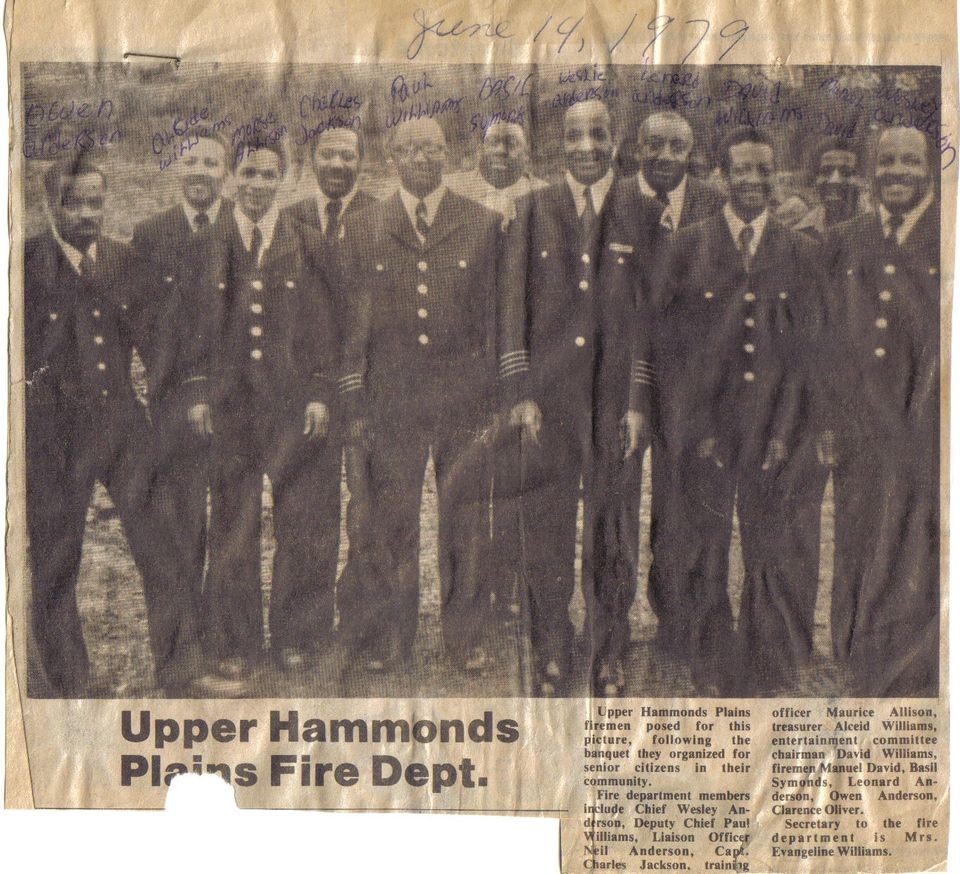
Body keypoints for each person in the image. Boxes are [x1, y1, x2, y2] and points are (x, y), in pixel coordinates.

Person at [338, 117, 519, 674]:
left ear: (450, 155)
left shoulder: (484, 223)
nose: (423, 158)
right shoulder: (366, 225)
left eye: (433, 148)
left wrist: (499, 398)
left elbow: (501, 318)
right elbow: (351, 324)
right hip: (392, 402)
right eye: (411, 149)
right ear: (391, 157)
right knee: (391, 521)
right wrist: (356, 400)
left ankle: (466, 637)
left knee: (466, 523)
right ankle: (391, 637)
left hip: (464, 401)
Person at [651, 128, 828, 695]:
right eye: (742, 171)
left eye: (763, 171)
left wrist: (783, 430)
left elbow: (805, 351)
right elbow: (670, 347)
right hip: (707, 424)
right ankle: (709, 654)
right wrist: (696, 427)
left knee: (769, 540)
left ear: (775, 177)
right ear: (721, 177)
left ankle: (767, 653)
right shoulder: (687, 245)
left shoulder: (798, 249)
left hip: (772, 422)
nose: (753, 181)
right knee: (702, 537)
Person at [25, 154, 202, 696]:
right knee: (58, 557)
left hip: (125, 429)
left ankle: (181, 673)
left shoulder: (126, 262)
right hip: (54, 437)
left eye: (94, 203)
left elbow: (162, 342)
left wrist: (184, 400)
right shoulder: (24, 265)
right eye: (73, 203)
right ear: (49, 205)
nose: (85, 214)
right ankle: (69, 682)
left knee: (163, 547)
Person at [502, 101, 662, 696]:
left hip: (614, 405)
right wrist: (521, 392)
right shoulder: (531, 208)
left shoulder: (642, 211)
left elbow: (649, 315)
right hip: (548, 403)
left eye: (597, 134)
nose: (586, 146)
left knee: (611, 529)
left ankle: (607, 650)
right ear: (558, 144)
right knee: (545, 527)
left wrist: (638, 400)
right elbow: (511, 307)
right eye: (573, 136)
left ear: (616, 139)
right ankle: (549, 647)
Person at [181, 140, 339, 690]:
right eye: (247, 173)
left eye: (268, 174)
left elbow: (325, 328)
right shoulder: (210, 244)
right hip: (232, 411)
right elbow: (196, 328)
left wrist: (320, 393)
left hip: (292, 409)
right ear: (231, 178)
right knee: (234, 525)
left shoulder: (308, 243)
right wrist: (199, 393)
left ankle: (297, 637)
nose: (256, 185)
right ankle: (234, 644)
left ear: (286, 179)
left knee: (305, 523)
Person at [823, 127, 939, 696]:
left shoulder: (948, 235)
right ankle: (856, 656)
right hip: (858, 424)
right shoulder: (849, 236)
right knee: (858, 530)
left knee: (918, 540)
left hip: (928, 426)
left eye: (909, 162)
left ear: (930, 171)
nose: (897, 172)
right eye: (887, 161)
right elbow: (824, 333)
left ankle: (912, 664)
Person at [280, 126, 378, 656]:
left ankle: (362, 628)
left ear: (363, 160)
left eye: (349, 154)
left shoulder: (382, 216)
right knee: (308, 512)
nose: (338, 163)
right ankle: (303, 631)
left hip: (366, 387)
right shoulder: (288, 218)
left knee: (369, 511)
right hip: (308, 388)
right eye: (328, 153)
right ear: (309, 157)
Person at [129, 132, 232, 636]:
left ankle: (226, 631)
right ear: (176, 167)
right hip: (172, 399)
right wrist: (186, 388)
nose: (200, 172)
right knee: (182, 518)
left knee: (234, 521)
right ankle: (184, 637)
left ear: (225, 173)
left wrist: (216, 387)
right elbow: (148, 325)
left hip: (233, 396)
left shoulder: (241, 222)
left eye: (212, 163)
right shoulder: (150, 234)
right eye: (191, 160)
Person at [632, 111, 725, 659]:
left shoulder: (715, 202)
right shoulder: (616, 200)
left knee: (684, 502)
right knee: (615, 505)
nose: (667, 156)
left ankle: (680, 623)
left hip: (691, 379)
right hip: (622, 373)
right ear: (637, 148)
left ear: (692, 152)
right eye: (656, 145)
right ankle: (611, 626)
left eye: (678, 147)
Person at [448, 120, 547, 223]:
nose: (501, 150)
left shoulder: (543, 194)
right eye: (493, 142)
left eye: (511, 144)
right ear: (480, 151)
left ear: (526, 154)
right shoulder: (453, 189)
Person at [794, 136, 866, 240]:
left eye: (846, 173)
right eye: (826, 172)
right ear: (816, 180)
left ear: (862, 181)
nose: (834, 180)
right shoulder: (802, 234)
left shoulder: (877, 231)